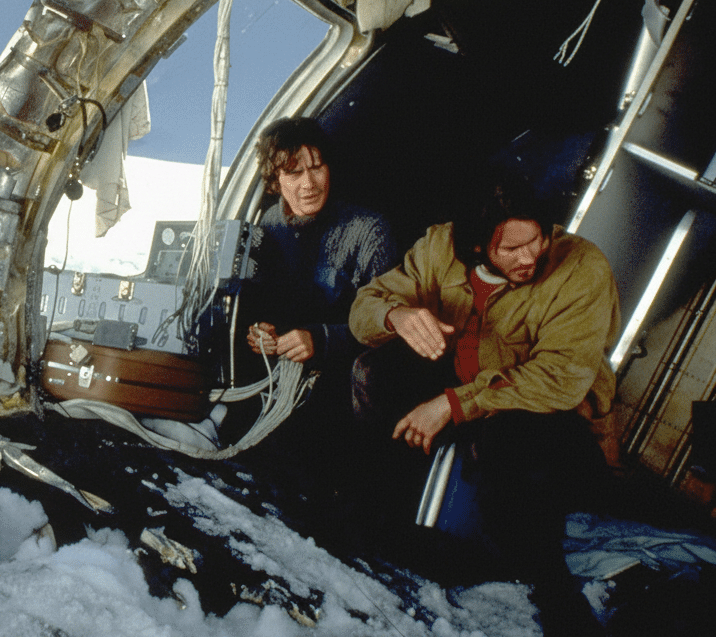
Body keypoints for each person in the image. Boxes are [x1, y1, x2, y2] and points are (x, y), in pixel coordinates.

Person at [348, 172, 619, 635]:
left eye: (535, 240)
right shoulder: (440, 247)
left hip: (545, 421)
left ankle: (551, 587)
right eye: (510, 249)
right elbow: (365, 306)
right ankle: (378, 515)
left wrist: (453, 404)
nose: (529, 256)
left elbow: (558, 380)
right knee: (374, 371)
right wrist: (397, 315)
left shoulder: (581, 267)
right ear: (474, 246)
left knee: (512, 439)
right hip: (462, 400)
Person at [241, 117, 397, 395]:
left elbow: (389, 328)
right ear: (275, 181)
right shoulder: (269, 224)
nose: (309, 183)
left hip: (347, 384)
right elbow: (264, 306)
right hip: (279, 382)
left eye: (316, 168)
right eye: (293, 173)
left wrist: (322, 340)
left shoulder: (369, 230)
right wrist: (260, 333)